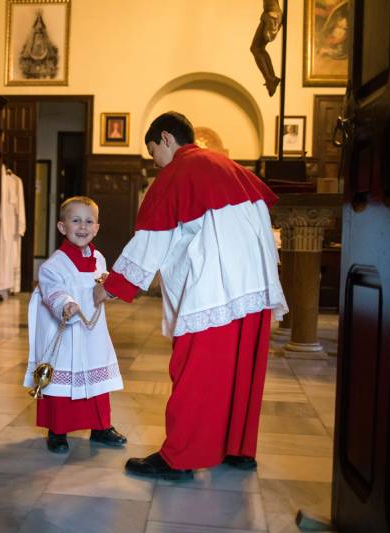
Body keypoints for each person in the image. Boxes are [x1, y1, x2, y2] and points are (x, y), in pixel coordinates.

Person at [95, 112, 287, 479]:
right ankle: (238, 450)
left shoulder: (178, 173)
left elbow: (152, 239)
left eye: (154, 154)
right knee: (241, 373)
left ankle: (178, 458)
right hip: (255, 290)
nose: (155, 164)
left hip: (214, 292)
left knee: (194, 373)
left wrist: (112, 287)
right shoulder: (235, 169)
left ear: (166, 139)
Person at [25, 196, 127, 453]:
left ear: (97, 227)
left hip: (92, 331)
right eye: (76, 220)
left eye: (88, 221)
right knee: (61, 377)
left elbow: (101, 284)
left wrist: (109, 291)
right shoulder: (53, 265)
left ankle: (101, 427)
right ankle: (57, 431)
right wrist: (65, 304)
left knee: (96, 374)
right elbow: (52, 290)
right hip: (65, 331)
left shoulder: (99, 258)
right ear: (62, 227)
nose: (82, 227)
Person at [250, 0, 283, 96]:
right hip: (269, 14)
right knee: (258, 48)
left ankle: (270, 79)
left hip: (272, 15)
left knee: (256, 48)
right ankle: (271, 78)